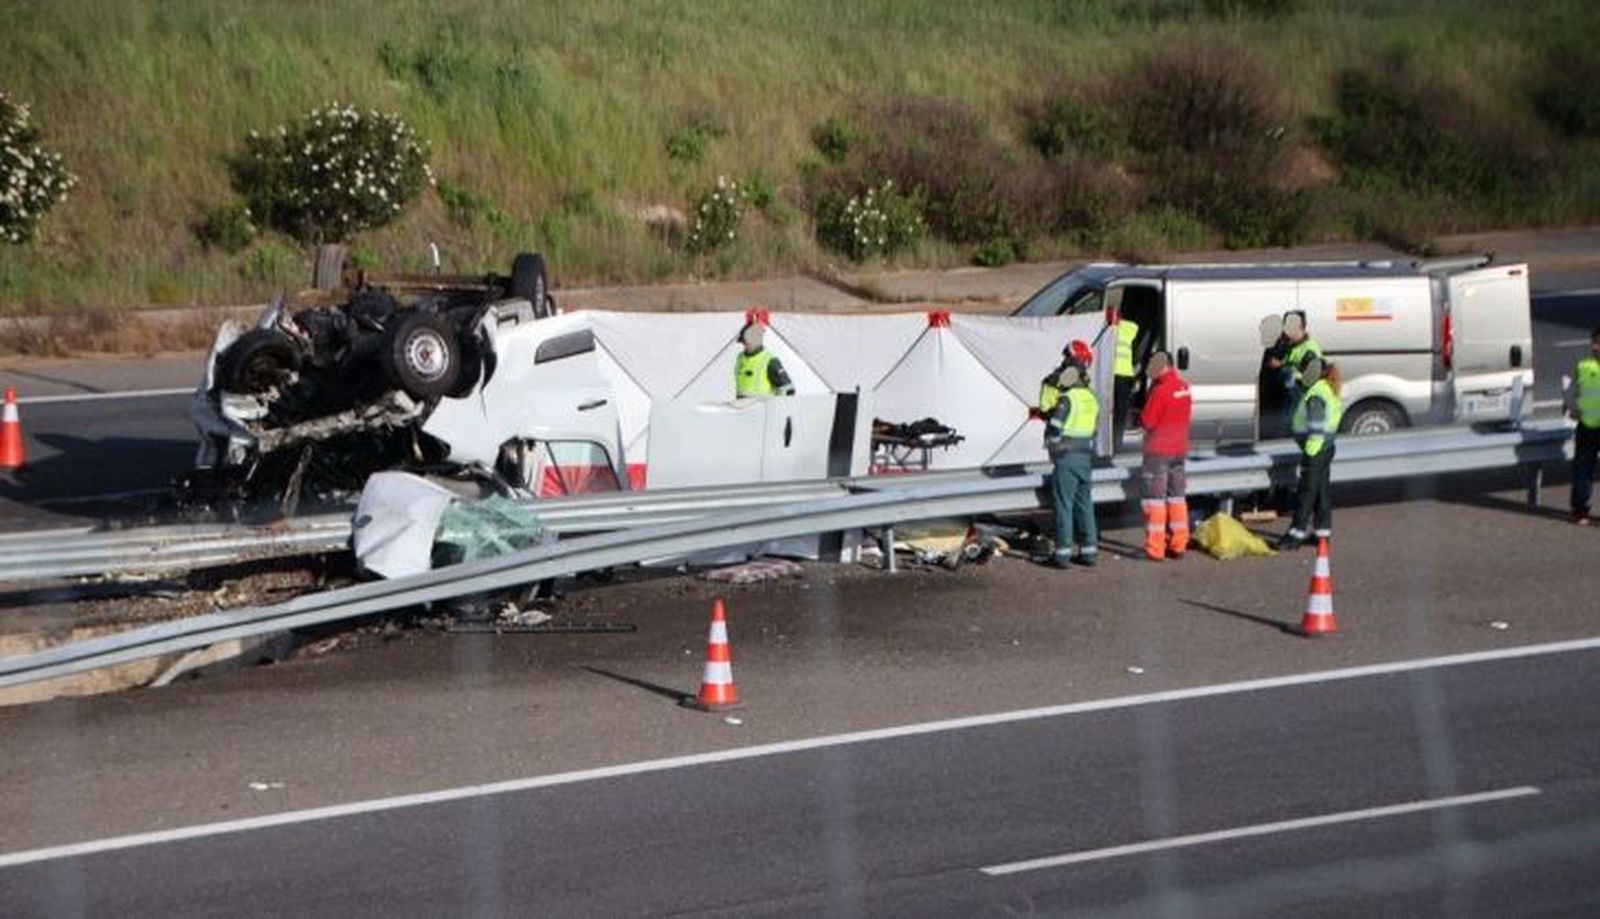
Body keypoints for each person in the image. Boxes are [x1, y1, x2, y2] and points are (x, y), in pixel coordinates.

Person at [1039, 340, 1100, 568]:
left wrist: (1053, 445)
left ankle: (1062, 554)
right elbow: (1093, 428)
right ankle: (1089, 552)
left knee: (1064, 505)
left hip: (1066, 457)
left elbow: (1054, 429)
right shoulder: (1091, 399)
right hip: (1085, 456)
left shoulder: (1067, 399)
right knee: (1085, 504)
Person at [1278, 357, 1343, 550]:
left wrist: (1309, 452)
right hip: (1327, 447)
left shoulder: (1316, 394)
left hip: (1315, 449)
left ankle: (1294, 536)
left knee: (1306, 493)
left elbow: (1316, 427)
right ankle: (1322, 534)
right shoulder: (1327, 387)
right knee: (1321, 492)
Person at [1138, 350, 1193, 561]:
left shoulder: (1160, 391)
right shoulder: (1184, 387)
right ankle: (1179, 544)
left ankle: (1155, 549)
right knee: (1177, 497)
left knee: (1155, 501)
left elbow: (1148, 421)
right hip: (1179, 450)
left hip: (1158, 452)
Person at [1566, 327, 1600, 525]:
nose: (1594, 347)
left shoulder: (1584, 366)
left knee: (1583, 469)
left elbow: (1571, 393)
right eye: (1593, 343)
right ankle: (1579, 510)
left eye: (1598, 343)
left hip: (1588, 425)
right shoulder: (1584, 366)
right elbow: (1572, 393)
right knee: (1582, 470)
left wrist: (1573, 407)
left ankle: (1579, 510)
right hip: (1587, 425)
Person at [1267, 309, 1323, 418]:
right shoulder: (1291, 346)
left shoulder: (1309, 349)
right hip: (1293, 405)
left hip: (1304, 407)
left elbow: (1310, 378)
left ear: (1299, 326)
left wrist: (1281, 366)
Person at [733, 320, 794, 397]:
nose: (745, 345)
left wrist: (776, 406)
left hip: (762, 407)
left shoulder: (770, 361)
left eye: (747, 342)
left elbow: (788, 390)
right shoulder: (740, 358)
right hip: (741, 407)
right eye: (744, 342)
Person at [1112, 314, 1139, 453]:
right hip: (1125, 375)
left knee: (1110, 412)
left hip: (1112, 376)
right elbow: (1135, 326)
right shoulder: (1130, 328)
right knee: (1120, 413)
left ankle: (1111, 444)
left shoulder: (1108, 329)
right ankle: (1117, 444)